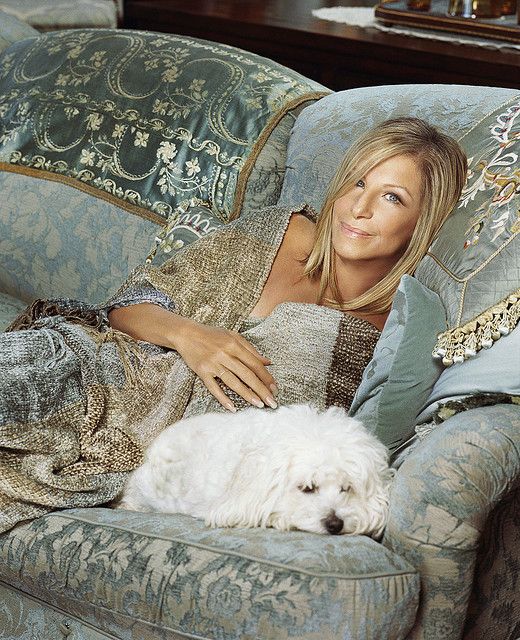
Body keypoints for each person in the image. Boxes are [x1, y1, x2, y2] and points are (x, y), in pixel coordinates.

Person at [0, 117, 467, 533]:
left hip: (146, 456)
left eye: (391, 197)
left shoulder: (394, 328)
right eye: (356, 183)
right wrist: (193, 337)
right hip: (90, 372)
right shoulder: (278, 231)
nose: (358, 208)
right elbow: (125, 307)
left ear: (421, 221)